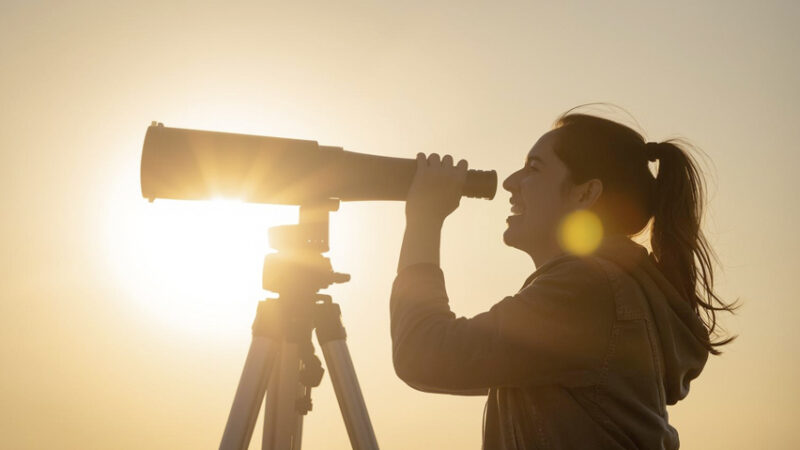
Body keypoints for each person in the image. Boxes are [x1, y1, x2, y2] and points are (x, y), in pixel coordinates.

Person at [390, 107, 738, 449]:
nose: (510, 183)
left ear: (585, 193)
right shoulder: (606, 287)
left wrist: (424, 219)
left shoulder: (587, 290)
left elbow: (423, 352)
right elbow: (449, 361)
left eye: (533, 168)